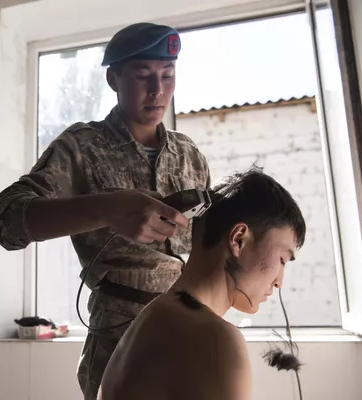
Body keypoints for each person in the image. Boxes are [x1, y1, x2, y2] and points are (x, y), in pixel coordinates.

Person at [0, 22, 211, 400]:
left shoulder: (189, 154)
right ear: (113, 79)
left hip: (187, 325)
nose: (158, 90)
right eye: (143, 76)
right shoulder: (82, 147)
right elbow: (6, 220)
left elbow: (206, 245)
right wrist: (107, 208)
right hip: (119, 334)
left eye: (167, 75)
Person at [98, 167, 306, 400]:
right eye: (282, 260)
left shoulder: (155, 315)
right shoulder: (214, 339)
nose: (279, 282)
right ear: (238, 239)